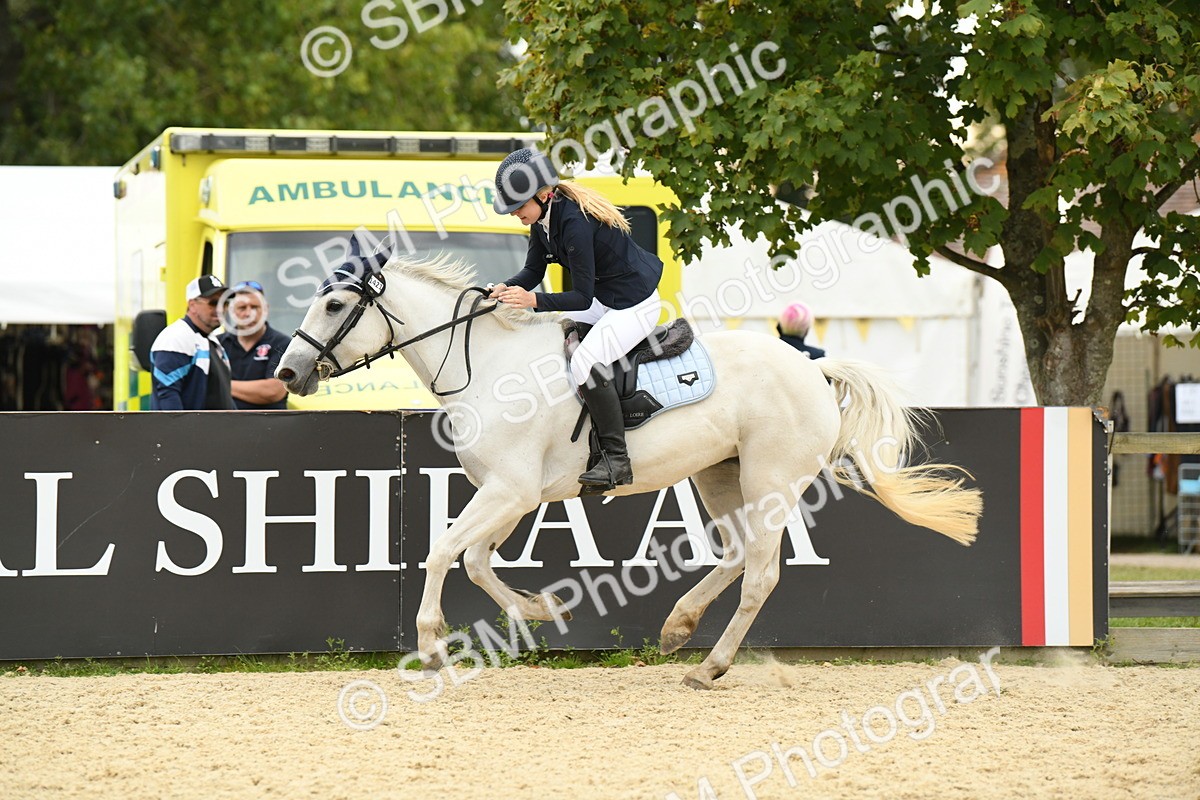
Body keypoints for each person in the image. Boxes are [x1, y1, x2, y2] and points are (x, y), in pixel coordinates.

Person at [489, 147, 664, 489]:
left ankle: (616, 459)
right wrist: (505, 288)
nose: (514, 213)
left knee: (585, 361)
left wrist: (533, 300)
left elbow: (581, 296)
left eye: (518, 206)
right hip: (605, 299)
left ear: (543, 194)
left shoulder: (574, 223)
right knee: (550, 333)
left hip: (634, 304)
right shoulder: (543, 219)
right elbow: (533, 270)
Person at [150, 275, 235, 410]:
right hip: (191, 424)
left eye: (225, 303)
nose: (220, 309)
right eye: (213, 303)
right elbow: (168, 397)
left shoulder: (210, 340)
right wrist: (180, 425)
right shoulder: (176, 337)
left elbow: (223, 397)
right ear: (192, 305)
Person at [218, 281, 292, 410]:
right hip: (225, 420)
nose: (249, 314)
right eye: (242, 308)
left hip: (269, 421)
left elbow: (273, 391)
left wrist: (220, 385)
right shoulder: (217, 344)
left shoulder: (283, 344)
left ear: (265, 309)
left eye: (255, 307)